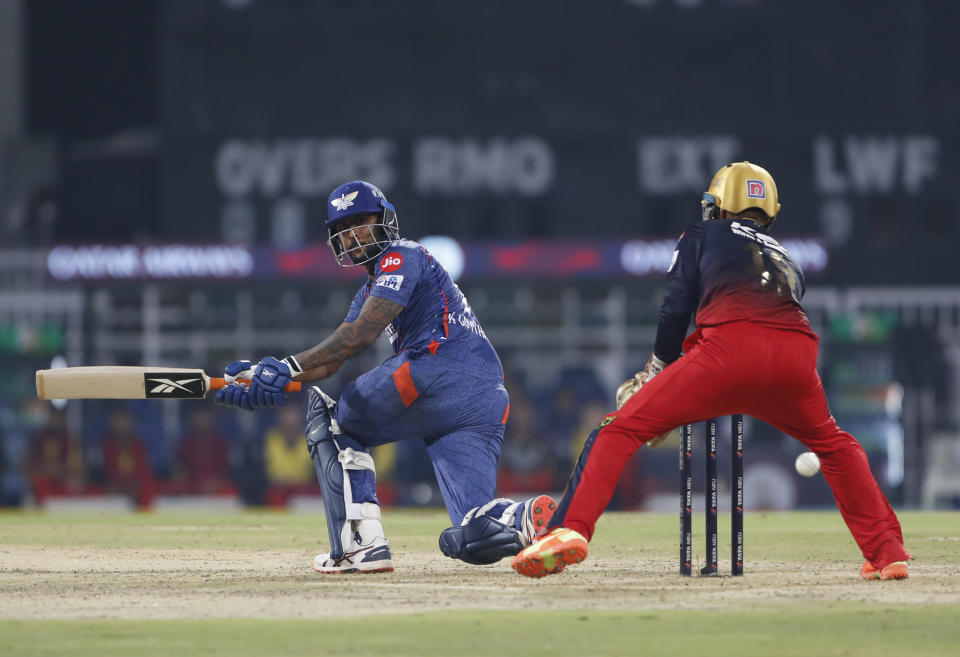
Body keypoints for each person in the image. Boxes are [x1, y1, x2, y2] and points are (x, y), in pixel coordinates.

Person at [512, 161, 912, 581]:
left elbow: (675, 308)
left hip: (728, 355)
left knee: (615, 430)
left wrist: (656, 371)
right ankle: (888, 553)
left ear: (719, 205)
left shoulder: (702, 234)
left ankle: (567, 530)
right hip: (797, 357)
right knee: (835, 446)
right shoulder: (786, 257)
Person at [215, 180, 555, 573]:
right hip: (485, 396)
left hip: (434, 369)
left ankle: (361, 546)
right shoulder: (368, 291)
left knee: (331, 421)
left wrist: (287, 368)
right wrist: (262, 374)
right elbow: (329, 362)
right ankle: (528, 518)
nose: (355, 232)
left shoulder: (401, 255)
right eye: (344, 226)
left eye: (362, 220)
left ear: (385, 220)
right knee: (470, 535)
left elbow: (359, 335)